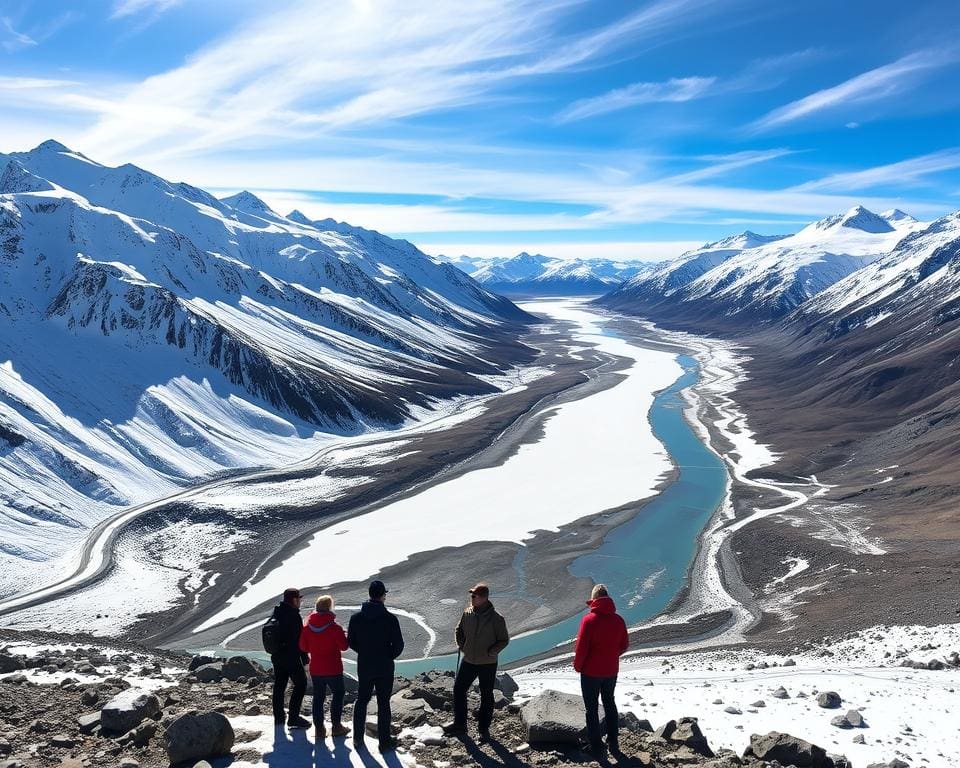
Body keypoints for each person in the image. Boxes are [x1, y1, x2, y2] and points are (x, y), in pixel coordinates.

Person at [444, 582, 510, 741]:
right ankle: (460, 724)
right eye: (471, 595)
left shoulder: (496, 618)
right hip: (469, 660)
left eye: (474, 596)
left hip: (487, 663)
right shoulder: (467, 613)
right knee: (459, 689)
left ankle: (483, 728)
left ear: (484, 598)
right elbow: (459, 630)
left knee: (486, 694)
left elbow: (504, 640)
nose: (471, 598)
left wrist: (491, 652)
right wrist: (461, 644)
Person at [347, 580, 404, 753]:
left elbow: (351, 642)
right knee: (383, 703)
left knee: (362, 700)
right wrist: (388, 656)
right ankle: (384, 743)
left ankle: (358, 738)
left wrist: (364, 652)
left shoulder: (356, 618)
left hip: (365, 665)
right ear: (382, 596)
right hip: (385, 667)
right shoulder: (390, 618)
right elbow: (399, 645)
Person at [573, 584, 629, 756]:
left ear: (594, 600)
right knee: (609, 703)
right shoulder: (618, 620)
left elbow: (582, 648)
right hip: (611, 671)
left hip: (591, 672)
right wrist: (611, 656)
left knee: (591, 709)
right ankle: (613, 740)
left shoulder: (589, 620)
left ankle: (596, 745)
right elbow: (624, 645)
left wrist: (578, 666)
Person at [299, 594, 350, 738]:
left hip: (316, 668)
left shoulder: (307, 628)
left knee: (318, 698)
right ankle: (336, 726)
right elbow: (344, 646)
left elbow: (303, 647)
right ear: (329, 608)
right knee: (338, 694)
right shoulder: (335, 627)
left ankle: (319, 730)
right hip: (333, 668)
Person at [270, 587, 311, 729]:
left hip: (277, 656)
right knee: (301, 684)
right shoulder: (293, 615)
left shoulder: (277, 612)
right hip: (291, 657)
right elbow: (299, 641)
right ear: (294, 600)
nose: (300, 601)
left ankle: (279, 718)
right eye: (299, 598)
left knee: (279, 685)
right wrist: (305, 660)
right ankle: (293, 718)